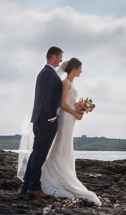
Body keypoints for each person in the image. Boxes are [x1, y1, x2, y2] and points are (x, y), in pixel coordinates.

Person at [39, 57, 102, 204]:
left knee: (66, 144)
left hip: (71, 118)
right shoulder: (65, 83)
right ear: (74, 69)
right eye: (80, 68)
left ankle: (64, 170)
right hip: (66, 117)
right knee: (61, 142)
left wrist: (83, 107)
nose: (81, 71)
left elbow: (72, 102)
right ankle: (56, 175)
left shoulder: (73, 83)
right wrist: (75, 113)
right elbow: (62, 104)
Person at [17, 46, 64, 198]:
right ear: (53, 57)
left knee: (37, 152)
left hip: (42, 119)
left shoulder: (47, 73)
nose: (61, 60)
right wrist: (51, 117)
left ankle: (26, 185)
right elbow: (46, 98)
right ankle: (34, 187)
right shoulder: (47, 73)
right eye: (60, 57)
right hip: (45, 120)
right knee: (40, 154)